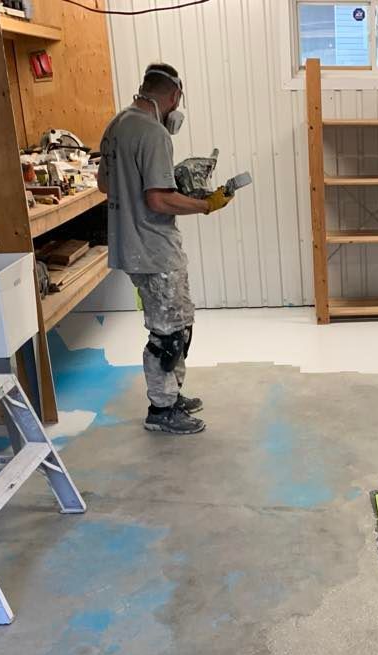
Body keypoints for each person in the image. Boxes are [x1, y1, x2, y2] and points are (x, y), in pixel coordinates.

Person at [97, 63, 233, 434]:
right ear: (173, 97)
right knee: (169, 333)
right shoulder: (154, 133)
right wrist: (206, 204)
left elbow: (105, 186)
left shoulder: (116, 126)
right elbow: (158, 200)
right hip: (154, 249)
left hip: (130, 244)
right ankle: (162, 410)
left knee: (176, 322)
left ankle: (170, 395)